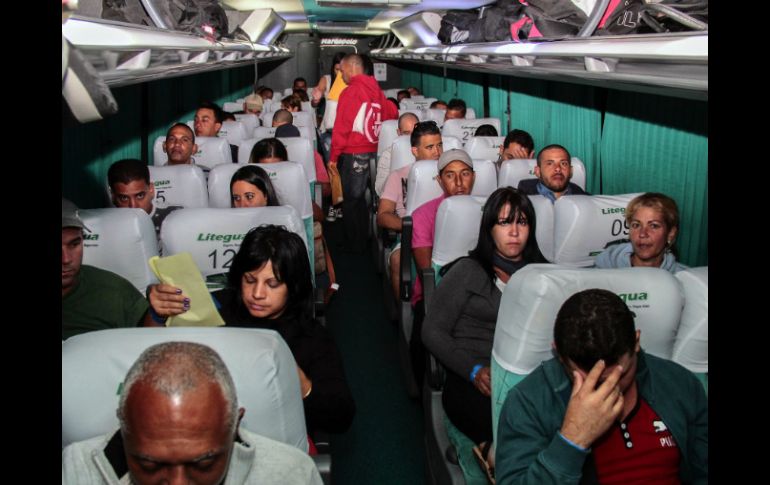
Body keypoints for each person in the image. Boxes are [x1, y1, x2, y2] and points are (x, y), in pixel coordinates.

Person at [147, 226, 356, 436]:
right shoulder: (216, 306)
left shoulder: (311, 337)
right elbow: (149, 358)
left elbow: (341, 416)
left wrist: (300, 383)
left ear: (293, 287)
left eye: (272, 284)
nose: (257, 293)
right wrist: (158, 314)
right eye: (250, 280)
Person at [495, 288, 708, 484]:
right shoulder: (529, 402)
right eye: (588, 378)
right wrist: (572, 439)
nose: (605, 387)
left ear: (636, 342)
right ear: (558, 353)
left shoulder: (679, 383)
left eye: (619, 374)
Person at [62, 341, 323, 484]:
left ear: (234, 426)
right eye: (150, 465)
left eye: (203, 464)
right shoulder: (75, 471)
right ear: (124, 428)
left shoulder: (290, 474)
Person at [422, 187, 547, 476]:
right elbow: (432, 330)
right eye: (504, 223)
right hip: (475, 377)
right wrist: (474, 370)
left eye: (522, 222)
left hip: (530, 376)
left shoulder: (545, 275)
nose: (514, 232)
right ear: (489, 229)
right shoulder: (467, 271)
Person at [409, 148, 476, 385]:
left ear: (474, 177)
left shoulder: (489, 209)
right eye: (450, 175)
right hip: (436, 292)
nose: (458, 182)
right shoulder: (423, 214)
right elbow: (427, 272)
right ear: (439, 180)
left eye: (465, 174)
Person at [329, 53, 398, 252]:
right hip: (375, 152)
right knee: (366, 200)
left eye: (342, 70)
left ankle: (355, 245)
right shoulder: (377, 90)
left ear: (352, 67)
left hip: (354, 153)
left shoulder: (351, 91)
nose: (341, 75)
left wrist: (333, 157)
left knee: (351, 201)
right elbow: (391, 114)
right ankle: (366, 239)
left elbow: (342, 127)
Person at [62, 198, 152, 340]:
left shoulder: (114, 292)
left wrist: (156, 315)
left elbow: (149, 341)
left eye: (74, 244)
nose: (66, 259)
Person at [377, 120, 443, 298]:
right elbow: (382, 215)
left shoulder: (450, 174)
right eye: (430, 147)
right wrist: (410, 226)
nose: (437, 152)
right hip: (409, 234)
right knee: (398, 260)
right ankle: (406, 311)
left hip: (445, 234)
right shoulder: (398, 176)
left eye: (439, 145)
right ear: (415, 151)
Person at [595, 192, 687, 273]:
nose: (642, 234)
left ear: (670, 233)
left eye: (653, 226)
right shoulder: (602, 271)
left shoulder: (684, 279)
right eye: (636, 225)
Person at [107, 158, 182, 240]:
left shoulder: (176, 217)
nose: (133, 206)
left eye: (140, 196)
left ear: (151, 190)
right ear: (113, 196)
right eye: (124, 198)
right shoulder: (106, 227)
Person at [516, 144, 586, 202]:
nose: (558, 168)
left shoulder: (584, 199)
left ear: (571, 171)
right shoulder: (520, 199)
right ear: (537, 171)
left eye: (563, 163)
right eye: (550, 164)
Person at [374, 112, 419, 196]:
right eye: (407, 133)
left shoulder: (427, 151)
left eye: (414, 132)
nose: (411, 137)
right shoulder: (388, 154)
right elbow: (379, 190)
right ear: (399, 132)